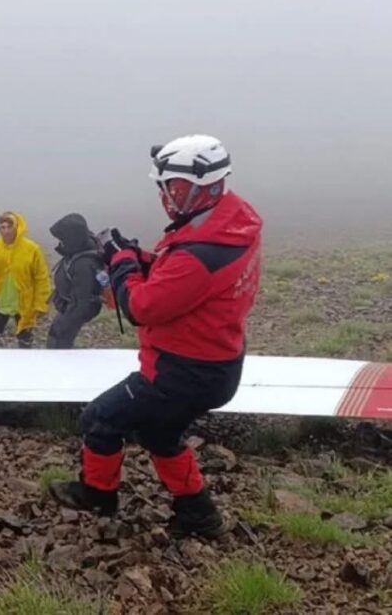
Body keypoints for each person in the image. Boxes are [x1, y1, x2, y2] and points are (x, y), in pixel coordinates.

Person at [49, 135, 262, 538]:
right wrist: (142, 257)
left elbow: (140, 307)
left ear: (201, 186)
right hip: (215, 364)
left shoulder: (200, 252)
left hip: (180, 372)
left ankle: (98, 494)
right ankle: (199, 515)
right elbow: (180, 276)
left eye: (173, 188)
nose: (167, 196)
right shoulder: (228, 228)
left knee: (101, 418)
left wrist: (123, 262)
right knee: (159, 433)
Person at [0, 211, 51, 348]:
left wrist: (40, 304)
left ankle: (24, 365)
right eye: (2, 227)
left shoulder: (32, 248)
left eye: (9, 227)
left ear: (17, 227)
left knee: (25, 340)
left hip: (23, 303)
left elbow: (41, 278)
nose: (6, 231)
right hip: (0, 301)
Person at [46, 213, 106, 349]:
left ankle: (62, 365)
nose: (60, 243)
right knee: (57, 336)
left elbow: (81, 302)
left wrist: (67, 324)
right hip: (70, 305)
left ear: (72, 239)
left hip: (76, 309)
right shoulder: (78, 249)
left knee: (59, 340)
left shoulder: (84, 265)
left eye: (62, 239)